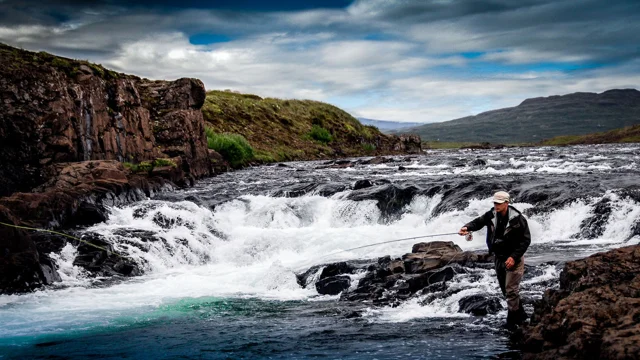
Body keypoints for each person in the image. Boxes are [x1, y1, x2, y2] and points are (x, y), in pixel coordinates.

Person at [458, 191, 531, 328]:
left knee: (511, 290)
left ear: (506, 203)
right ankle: (521, 316)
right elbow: (478, 222)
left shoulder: (518, 219)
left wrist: (514, 257)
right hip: (499, 257)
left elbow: (526, 241)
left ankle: (512, 322)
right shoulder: (491, 214)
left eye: (499, 203)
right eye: (495, 203)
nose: (496, 205)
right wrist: (466, 227)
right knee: (505, 290)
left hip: (514, 259)